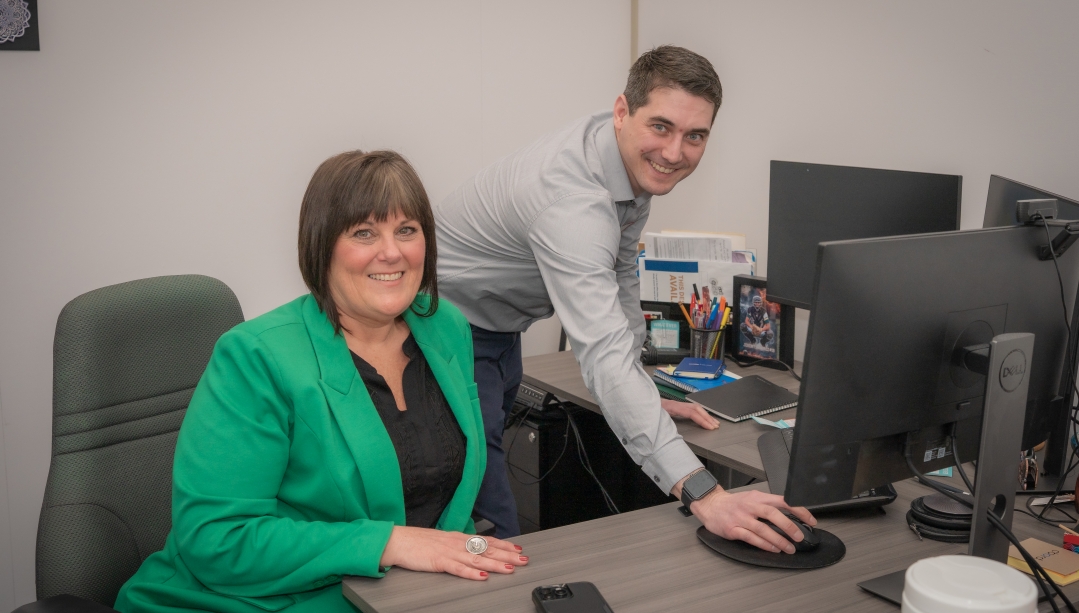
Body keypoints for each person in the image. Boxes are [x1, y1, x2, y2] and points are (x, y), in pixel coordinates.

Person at [435, 46, 815, 551]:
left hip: (499, 330)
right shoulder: (572, 202)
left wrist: (641, 389)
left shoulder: (622, 159)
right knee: (488, 530)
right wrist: (705, 493)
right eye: (661, 127)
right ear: (622, 111)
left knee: (483, 501)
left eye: (695, 136)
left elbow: (621, 278)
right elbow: (602, 353)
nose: (675, 152)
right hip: (442, 334)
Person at [115, 150, 527, 613]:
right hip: (255, 601)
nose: (392, 252)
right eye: (364, 232)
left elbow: (450, 492)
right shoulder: (255, 357)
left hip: (404, 596)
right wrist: (390, 543)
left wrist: (466, 552)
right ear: (321, 245)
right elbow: (218, 540)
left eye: (407, 230)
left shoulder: (445, 325)